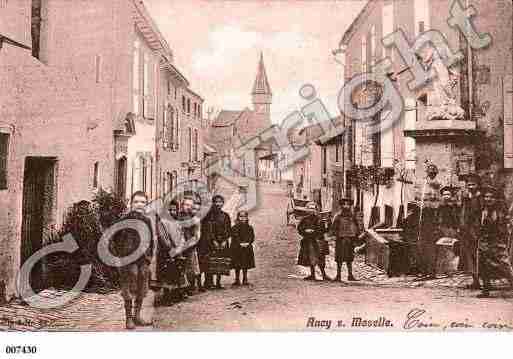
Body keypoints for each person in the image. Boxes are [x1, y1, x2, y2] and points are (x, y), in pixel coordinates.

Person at [111, 191, 153, 329]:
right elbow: (113, 239)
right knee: (129, 287)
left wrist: (149, 257)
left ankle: (137, 316)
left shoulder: (147, 220)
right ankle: (128, 318)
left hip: (143, 259)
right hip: (128, 260)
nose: (139, 205)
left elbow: (151, 240)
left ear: (146, 205)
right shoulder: (123, 220)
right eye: (136, 202)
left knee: (142, 287)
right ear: (131, 204)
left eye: (143, 202)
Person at [476, 186, 513, 298]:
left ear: (495, 199)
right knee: (483, 265)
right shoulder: (482, 210)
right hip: (483, 241)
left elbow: (502, 228)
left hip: (496, 241)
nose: (488, 199)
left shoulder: (499, 211)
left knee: (504, 264)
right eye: (486, 197)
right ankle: (486, 289)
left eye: (491, 197)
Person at [200, 194, 232, 289]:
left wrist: (225, 240)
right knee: (209, 261)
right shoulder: (208, 216)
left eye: (220, 202)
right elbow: (207, 229)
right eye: (216, 202)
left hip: (223, 241)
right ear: (213, 203)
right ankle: (208, 282)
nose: (218, 204)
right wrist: (213, 240)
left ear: (222, 203)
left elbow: (228, 229)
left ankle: (218, 282)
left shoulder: (225, 216)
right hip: (210, 242)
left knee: (221, 261)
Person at [459, 173, 482, 289]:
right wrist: (462, 225)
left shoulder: (480, 198)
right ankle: (475, 280)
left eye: (473, 184)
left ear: (477, 185)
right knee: (469, 255)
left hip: (478, 229)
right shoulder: (465, 197)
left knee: (480, 255)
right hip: (467, 230)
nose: (471, 187)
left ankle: (484, 280)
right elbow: (463, 212)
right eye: (468, 185)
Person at [297, 202, 330, 281]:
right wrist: (305, 231)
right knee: (311, 258)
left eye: (313, 209)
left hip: (318, 240)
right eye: (310, 209)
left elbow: (324, 230)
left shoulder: (320, 220)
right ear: (307, 210)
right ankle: (313, 275)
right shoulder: (304, 220)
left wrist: (327, 224)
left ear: (316, 210)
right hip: (309, 241)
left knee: (321, 258)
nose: (311, 211)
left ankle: (324, 275)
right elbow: (299, 229)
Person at [330, 198, 360, 282]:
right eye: (344, 204)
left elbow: (356, 227)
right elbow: (333, 228)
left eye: (348, 204)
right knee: (339, 258)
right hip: (341, 239)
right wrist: (337, 235)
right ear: (341, 206)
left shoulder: (352, 216)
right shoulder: (338, 216)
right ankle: (338, 275)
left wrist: (356, 237)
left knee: (349, 258)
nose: (346, 206)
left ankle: (350, 275)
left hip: (350, 239)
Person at [180, 196, 201, 295]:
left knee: (191, 267)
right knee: (180, 268)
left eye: (190, 205)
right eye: (186, 204)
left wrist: (188, 245)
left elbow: (197, 235)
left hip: (190, 246)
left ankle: (190, 287)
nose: (188, 207)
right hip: (178, 246)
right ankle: (181, 289)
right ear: (182, 205)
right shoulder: (177, 217)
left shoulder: (195, 219)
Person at [230, 210, 256, 286]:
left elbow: (252, 237)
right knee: (237, 264)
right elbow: (234, 236)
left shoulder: (249, 227)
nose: (242, 218)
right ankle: (237, 279)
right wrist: (240, 243)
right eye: (241, 216)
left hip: (246, 249)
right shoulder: (234, 227)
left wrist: (248, 243)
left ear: (247, 218)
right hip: (237, 248)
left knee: (245, 264)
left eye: (244, 217)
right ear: (238, 218)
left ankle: (245, 278)